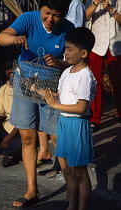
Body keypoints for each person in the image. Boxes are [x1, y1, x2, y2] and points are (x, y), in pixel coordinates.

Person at [0, 0, 74, 208]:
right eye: (46, 13)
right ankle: (32, 190)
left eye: (56, 15)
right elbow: (0, 37)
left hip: (52, 86)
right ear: (40, 9)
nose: (50, 20)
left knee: (58, 137)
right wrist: (15, 38)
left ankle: (72, 192)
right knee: (27, 137)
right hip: (25, 82)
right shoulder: (28, 18)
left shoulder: (69, 28)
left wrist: (59, 63)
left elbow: (74, 61)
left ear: (64, 14)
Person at [43, 27, 96, 210]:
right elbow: (60, 96)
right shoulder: (67, 72)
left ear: (83, 53)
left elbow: (81, 107)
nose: (65, 52)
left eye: (70, 49)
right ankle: (71, 205)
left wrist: (55, 105)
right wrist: (41, 92)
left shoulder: (86, 77)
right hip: (64, 123)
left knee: (80, 172)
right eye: (65, 48)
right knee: (69, 171)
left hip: (77, 125)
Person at [85, 0, 121, 131]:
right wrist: (95, 4)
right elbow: (84, 17)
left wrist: (111, 9)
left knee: (118, 82)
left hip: (115, 44)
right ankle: (95, 118)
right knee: (95, 82)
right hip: (96, 44)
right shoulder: (90, 1)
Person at [0, 60, 22, 167]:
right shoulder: (4, 88)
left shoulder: (26, 87)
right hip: (6, 127)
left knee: (19, 143)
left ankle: (6, 156)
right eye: (7, 69)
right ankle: (5, 155)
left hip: (19, 129)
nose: (11, 71)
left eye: (13, 68)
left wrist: (10, 137)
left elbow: (25, 119)